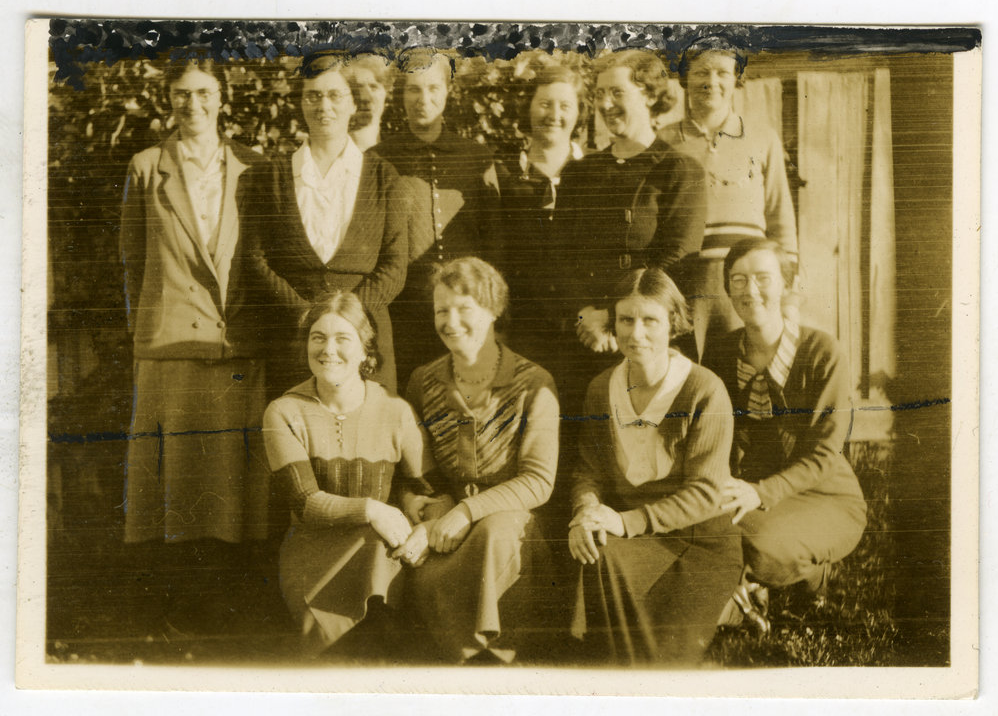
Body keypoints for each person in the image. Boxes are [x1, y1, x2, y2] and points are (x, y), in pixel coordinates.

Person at [119, 57, 270, 634]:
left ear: (222, 98)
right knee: (176, 488)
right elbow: (132, 261)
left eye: (204, 93)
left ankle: (234, 613)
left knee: (235, 487)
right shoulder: (146, 168)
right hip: (171, 348)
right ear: (169, 99)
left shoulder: (252, 167)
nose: (193, 105)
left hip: (236, 349)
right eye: (182, 94)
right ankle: (179, 613)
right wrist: (150, 334)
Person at [568, 267, 742, 665]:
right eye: (626, 320)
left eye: (650, 320)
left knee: (663, 662)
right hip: (633, 536)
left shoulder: (704, 388)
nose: (636, 333)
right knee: (600, 552)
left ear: (674, 324)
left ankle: (728, 603)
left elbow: (706, 492)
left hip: (699, 541)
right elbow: (587, 469)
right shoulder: (601, 389)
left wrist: (626, 522)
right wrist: (586, 512)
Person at [399, 257, 559, 663]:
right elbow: (418, 473)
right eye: (441, 310)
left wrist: (468, 512)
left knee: (495, 533)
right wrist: (434, 512)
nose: (450, 322)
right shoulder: (423, 381)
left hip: (512, 524)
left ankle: (498, 660)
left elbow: (539, 481)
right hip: (446, 523)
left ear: (493, 311)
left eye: (464, 308)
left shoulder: (534, 383)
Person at [701, 238, 867, 632]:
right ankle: (747, 596)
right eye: (738, 280)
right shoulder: (722, 352)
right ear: (727, 289)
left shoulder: (821, 352)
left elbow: (824, 454)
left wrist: (760, 493)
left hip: (824, 493)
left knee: (759, 548)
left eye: (763, 278)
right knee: (705, 531)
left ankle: (813, 579)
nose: (749, 291)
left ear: (786, 285)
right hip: (749, 487)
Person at [262, 291, 432, 656]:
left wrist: (425, 527)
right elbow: (306, 502)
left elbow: (426, 490)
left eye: (343, 339)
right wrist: (373, 509)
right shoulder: (283, 411)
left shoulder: (395, 410)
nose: (328, 350)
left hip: (382, 555)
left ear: (365, 351)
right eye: (318, 338)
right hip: (313, 554)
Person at [242, 50, 411, 398]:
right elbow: (255, 260)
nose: (324, 106)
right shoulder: (271, 176)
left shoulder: (384, 177)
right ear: (301, 104)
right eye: (313, 96)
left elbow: (395, 264)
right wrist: (308, 316)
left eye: (335, 95)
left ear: (353, 103)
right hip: (293, 338)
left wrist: (349, 318)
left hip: (366, 335)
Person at [555, 49, 706, 424]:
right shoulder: (579, 173)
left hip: (649, 333)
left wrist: (614, 316)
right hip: (585, 336)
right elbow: (558, 256)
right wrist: (584, 314)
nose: (605, 104)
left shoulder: (679, 170)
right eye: (600, 94)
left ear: (650, 95)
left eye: (617, 93)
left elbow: (678, 256)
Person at [660, 36, 798, 359]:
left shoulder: (763, 138)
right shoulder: (664, 141)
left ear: (737, 77)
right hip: (685, 281)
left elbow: (781, 221)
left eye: (722, 72)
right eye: (701, 73)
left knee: (746, 365)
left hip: (745, 281)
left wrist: (788, 295)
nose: (711, 82)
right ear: (684, 77)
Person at [375, 49, 499, 390]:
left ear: (447, 91)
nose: (423, 99)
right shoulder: (380, 159)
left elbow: (495, 242)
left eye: (432, 88)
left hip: (468, 311)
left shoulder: (476, 157)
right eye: (413, 89)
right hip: (405, 313)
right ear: (401, 95)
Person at [488, 61, 587, 374]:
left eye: (565, 106)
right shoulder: (501, 172)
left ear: (579, 113)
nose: (554, 115)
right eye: (544, 104)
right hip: (521, 326)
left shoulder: (597, 171)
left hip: (584, 325)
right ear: (528, 108)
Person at [347, 53, 392, 152]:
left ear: (387, 92)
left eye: (373, 87)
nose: (365, 97)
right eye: (358, 87)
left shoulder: (394, 148)